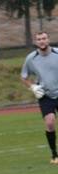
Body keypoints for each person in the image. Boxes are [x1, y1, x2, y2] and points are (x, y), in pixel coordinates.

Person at [21, 31, 58, 164]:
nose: (42, 41)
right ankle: (54, 155)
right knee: (49, 122)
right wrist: (33, 87)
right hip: (46, 96)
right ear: (36, 42)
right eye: (39, 39)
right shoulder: (31, 58)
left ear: (48, 40)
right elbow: (24, 77)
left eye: (44, 38)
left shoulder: (57, 53)